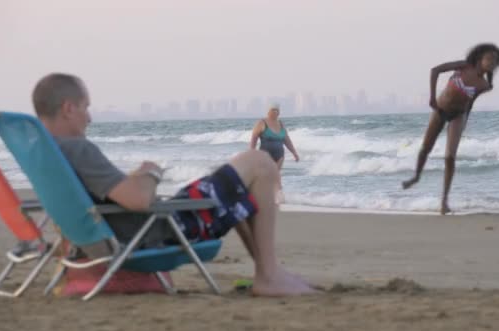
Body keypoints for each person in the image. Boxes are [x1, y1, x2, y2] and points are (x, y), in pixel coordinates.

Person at [31, 73, 316, 297]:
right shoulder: (77, 148)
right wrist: (150, 173)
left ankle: (270, 271)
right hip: (161, 229)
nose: (89, 117)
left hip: (120, 232)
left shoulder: (43, 153)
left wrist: (132, 182)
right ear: (68, 108)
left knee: (233, 183)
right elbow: (139, 200)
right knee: (260, 163)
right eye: (85, 107)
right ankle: (268, 276)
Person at [402, 43, 499, 215]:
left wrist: (465, 121)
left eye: (495, 61)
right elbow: (435, 70)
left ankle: (444, 202)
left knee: (450, 157)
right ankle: (416, 176)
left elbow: (470, 102)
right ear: (480, 58)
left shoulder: (484, 85)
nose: (492, 63)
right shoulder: (463, 65)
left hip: (458, 116)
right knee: (426, 148)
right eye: (489, 59)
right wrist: (432, 98)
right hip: (440, 110)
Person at [249, 103, 299, 204]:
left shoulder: (280, 124)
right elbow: (254, 137)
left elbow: (286, 140)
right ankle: (261, 195)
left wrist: (294, 152)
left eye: (276, 110)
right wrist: (252, 152)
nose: (274, 112)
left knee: (276, 175)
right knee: (267, 176)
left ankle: (278, 197)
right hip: (265, 154)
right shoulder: (262, 122)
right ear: (268, 111)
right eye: (272, 110)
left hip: (279, 155)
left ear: (279, 112)